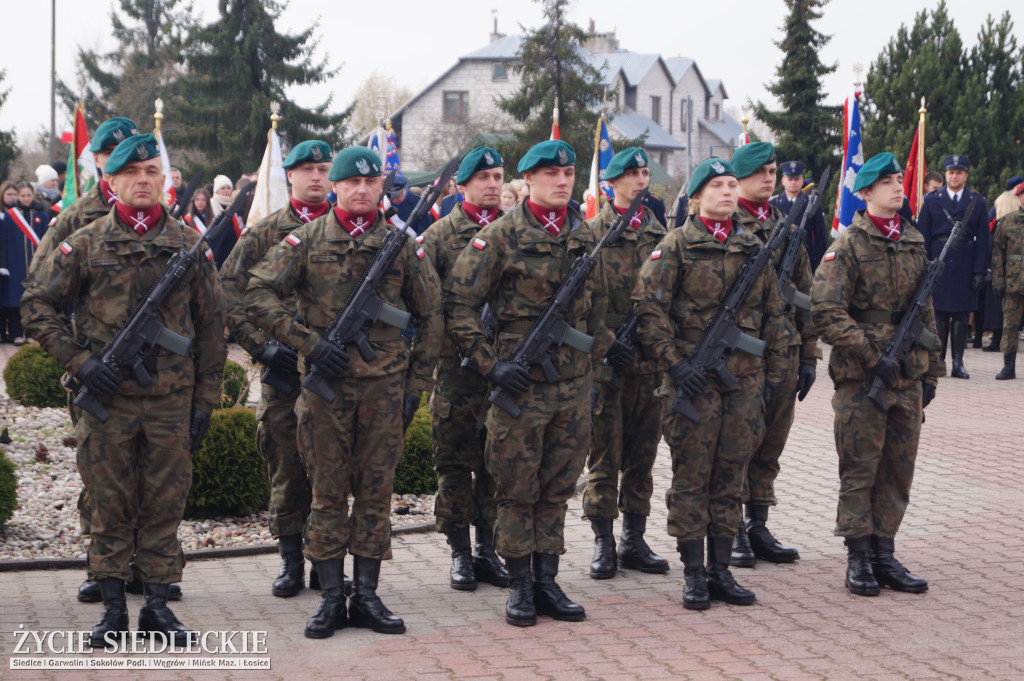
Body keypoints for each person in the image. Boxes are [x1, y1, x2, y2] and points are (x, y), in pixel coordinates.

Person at [21, 133, 227, 645]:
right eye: (131, 173)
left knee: (164, 504)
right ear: (110, 182)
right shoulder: (86, 242)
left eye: (151, 172)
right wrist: (80, 362)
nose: (142, 180)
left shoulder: (188, 245)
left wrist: (205, 402)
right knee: (110, 505)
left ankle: (157, 606)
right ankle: (112, 609)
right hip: (107, 402)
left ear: (164, 180)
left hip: (170, 402)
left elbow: (211, 331)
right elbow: (36, 306)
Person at [244, 146, 442, 639]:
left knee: (375, 495)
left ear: (381, 188)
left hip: (383, 391)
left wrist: (416, 386)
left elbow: (432, 316)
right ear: (334, 186)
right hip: (326, 393)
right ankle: (333, 597)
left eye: (370, 182)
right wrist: (306, 342)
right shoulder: (305, 240)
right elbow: (256, 293)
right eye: (350, 182)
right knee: (327, 496)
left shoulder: (401, 244)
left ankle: (368, 595)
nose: (360, 189)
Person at [444, 139, 609, 627]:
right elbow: (459, 305)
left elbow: (598, 308)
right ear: (530, 179)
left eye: (569, 174)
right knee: (517, 487)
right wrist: (489, 365)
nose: (563, 181)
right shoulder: (499, 236)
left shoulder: (584, 235)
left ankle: (546, 580)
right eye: (551, 174)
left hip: (573, 386)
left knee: (557, 486)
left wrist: (593, 363)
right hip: (521, 386)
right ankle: (518, 585)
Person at [632, 158, 788, 611]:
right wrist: (676, 364)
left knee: (731, 476)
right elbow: (647, 307)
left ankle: (722, 571)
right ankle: (694, 574)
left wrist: (776, 376)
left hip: (743, 383)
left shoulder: (752, 247)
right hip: (693, 384)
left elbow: (775, 315)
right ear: (696, 196)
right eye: (716, 185)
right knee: (692, 478)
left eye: (731, 184)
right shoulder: (676, 246)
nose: (727, 191)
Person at [810, 151, 939, 597]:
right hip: (863, 378)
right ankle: (859, 558)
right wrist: (870, 354)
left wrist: (933, 370)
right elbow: (825, 310)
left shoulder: (914, 242)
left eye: (899, 180)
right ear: (865, 193)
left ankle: (885, 553)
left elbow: (926, 312)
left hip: (907, 375)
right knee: (860, 469)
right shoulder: (847, 245)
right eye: (886, 182)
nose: (897, 187)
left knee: (898, 470)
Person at [221, 140, 334, 598]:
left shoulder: (346, 231)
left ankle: (325, 561)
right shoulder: (264, 233)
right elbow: (229, 293)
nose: (315, 177)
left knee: (330, 468)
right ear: (289, 175)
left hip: (332, 372)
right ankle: (290, 562)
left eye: (323, 168)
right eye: (306, 169)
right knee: (287, 465)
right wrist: (261, 348)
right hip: (285, 370)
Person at [418, 147, 510, 592]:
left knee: (495, 465)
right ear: (461, 186)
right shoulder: (439, 237)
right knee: (454, 466)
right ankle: (459, 555)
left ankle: (487, 552)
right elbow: (424, 303)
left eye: (497, 176)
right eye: (483, 177)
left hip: (505, 370)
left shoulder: (514, 232)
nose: (492, 184)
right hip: (456, 373)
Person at [729, 143, 818, 568]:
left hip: (784, 350)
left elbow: (807, 295)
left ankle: (757, 525)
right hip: (743, 354)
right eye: (761, 172)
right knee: (738, 442)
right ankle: (729, 530)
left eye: (772, 170)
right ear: (740, 178)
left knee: (771, 442)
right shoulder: (727, 225)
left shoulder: (787, 224)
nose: (770, 178)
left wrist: (810, 355)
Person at [583, 147, 670, 581]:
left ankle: (634, 539)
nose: (640, 179)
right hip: (608, 369)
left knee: (642, 457)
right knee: (604, 457)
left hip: (650, 367)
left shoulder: (662, 236)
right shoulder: (592, 235)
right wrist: (604, 343)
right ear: (610, 184)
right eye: (631, 173)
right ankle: (603, 542)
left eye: (643, 172)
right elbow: (580, 303)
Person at [916, 154, 990, 379]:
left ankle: (958, 362)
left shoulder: (977, 202)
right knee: (938, 313)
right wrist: (923, 265)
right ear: (946, 174)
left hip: (965, 262)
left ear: (965, 175)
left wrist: (979, 270)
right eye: (951, 172)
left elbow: (984, 242)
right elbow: (922, 237)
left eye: (959, 172)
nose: (954, 175)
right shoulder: (931, 201)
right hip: (938, 260)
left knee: (960, 315)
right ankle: (938, 360)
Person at [2, 182, 50, 344]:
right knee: (16, 300)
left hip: (35, 266)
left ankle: (31, 333)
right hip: (15, 264)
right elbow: (4, 240)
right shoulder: (10, 215)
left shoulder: (41, 215)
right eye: (22, 195)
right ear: (18, 196)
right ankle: (16, 332)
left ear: (33, 196)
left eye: (29, 195)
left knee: (33, 300)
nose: (26, 198)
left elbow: (46, 239)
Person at [991, 181, 1024, 380]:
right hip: (1014, 283)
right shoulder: (1008, 222)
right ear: (1019, 198)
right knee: (1010, 325)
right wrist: (997, 282)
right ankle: (1008, 366)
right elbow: (997, 255)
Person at [771, 160, 829, 269]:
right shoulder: (773, 204)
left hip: (806, 263)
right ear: (783, 181)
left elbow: (821, 238)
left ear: (802, 181)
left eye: (796, 179)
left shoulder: (812, 204)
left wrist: (820, 267)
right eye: (790, 179)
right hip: (779, 263)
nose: (793, 182)